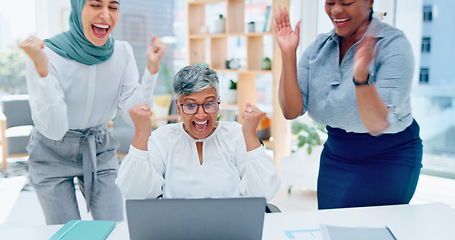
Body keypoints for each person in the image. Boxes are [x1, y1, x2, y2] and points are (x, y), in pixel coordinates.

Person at [19, 0, 166, 224]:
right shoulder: (45, 53)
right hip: (51, 151)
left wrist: (152, 70)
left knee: (112, 227)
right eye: (96, 5)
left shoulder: (121, 52)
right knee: (69, 234)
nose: (105, 15)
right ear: (78, 8)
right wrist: (43, 71)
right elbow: (55, 128)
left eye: (113, 7)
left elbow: (133, 115)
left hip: (98, 146)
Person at [273, 0, 423, 209]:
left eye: (346, 2)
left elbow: (377, 124)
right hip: (337, 154)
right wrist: (288, 54)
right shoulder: (319, 47)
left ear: (369, 2)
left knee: (371, 230)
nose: (335, 10)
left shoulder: (393, 45)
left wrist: (361, 77)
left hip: (388, 157)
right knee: (332, 227)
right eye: (330, 2)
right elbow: (291, 111)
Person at [116, 65, 280, 202]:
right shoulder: (163, 138)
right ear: (179, 107)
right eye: (190, 105)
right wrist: (141, 134)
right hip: (177, 230)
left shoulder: (236, 134)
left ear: (218, 102)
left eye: (209, 104)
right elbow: (134, 193)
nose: (201, 115)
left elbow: (263, 193)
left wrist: (250, 136)